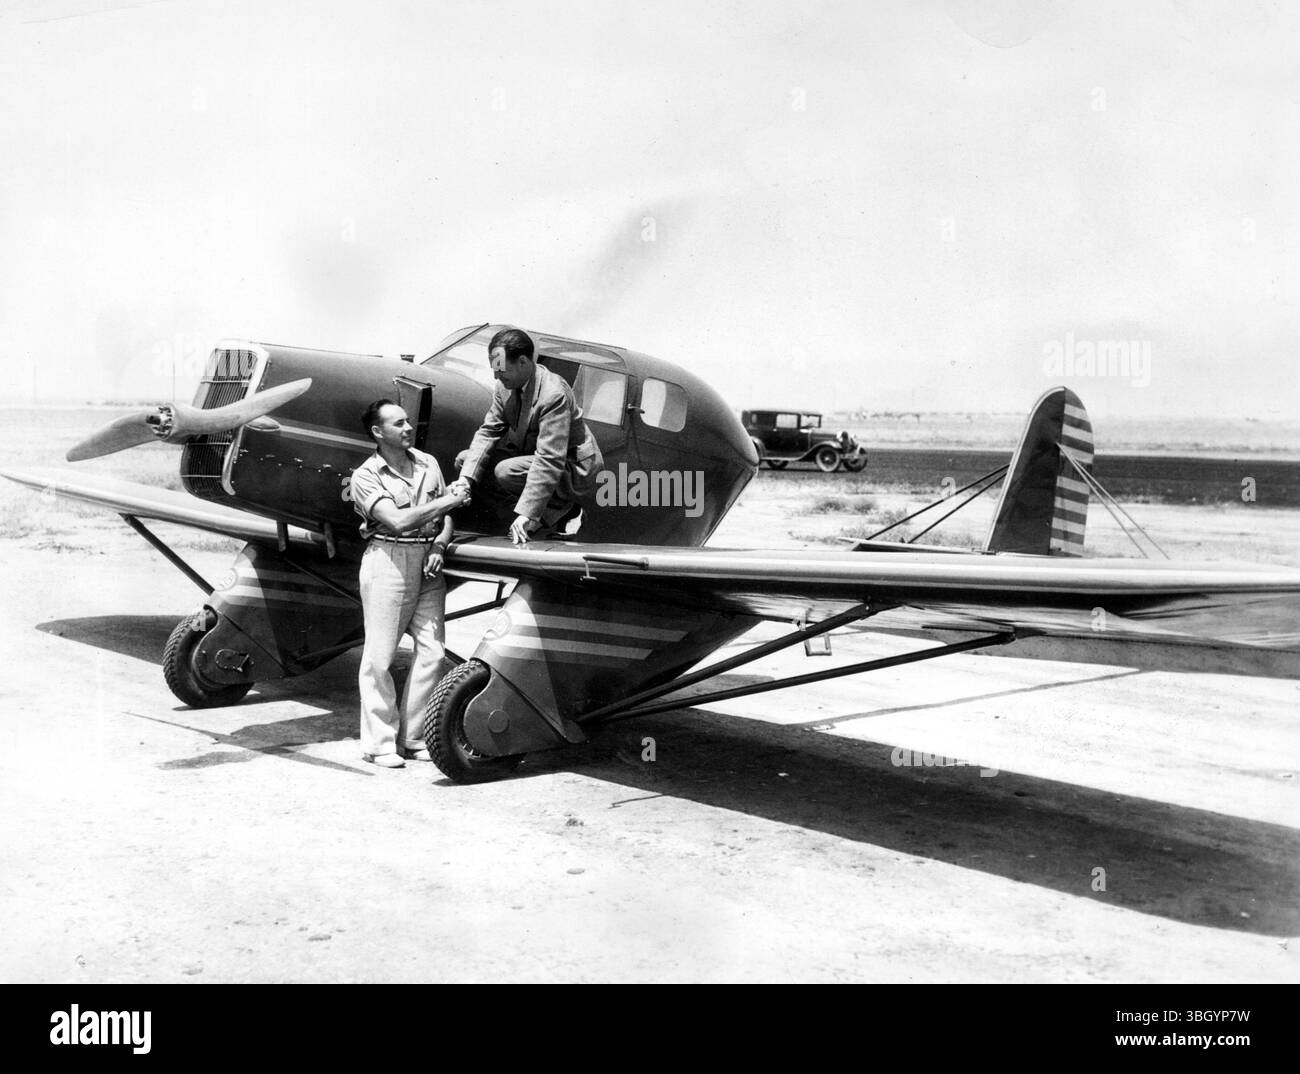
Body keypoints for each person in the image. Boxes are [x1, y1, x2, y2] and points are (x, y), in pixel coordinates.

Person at [348, 399, 470, 768]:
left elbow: (444, 515)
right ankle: (379, 744)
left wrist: (439, 543)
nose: (408, 428)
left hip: (427, 563)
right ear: (377, 432)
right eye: (398, 423)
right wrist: (448, 501)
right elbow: (398, 521)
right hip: (389, 559)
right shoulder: (366, 476)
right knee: (380, 657)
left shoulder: (428, 463)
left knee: (433, 652)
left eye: (407, 422)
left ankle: (413, 736)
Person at [458, 327, 603, 544]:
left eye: (502, 370)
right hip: (537, 456)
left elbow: (550, 459)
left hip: (573, 467)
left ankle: (560, 512)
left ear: (524, 362)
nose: (496, 376)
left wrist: (528, 513)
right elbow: (489, 432)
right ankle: (519, 518)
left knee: (506, 472)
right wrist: (465, 481)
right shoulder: (504, 386)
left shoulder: (553, 394)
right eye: (494, 369)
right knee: (465, 461)